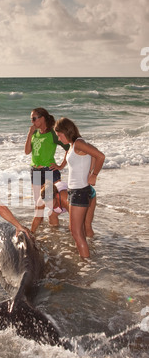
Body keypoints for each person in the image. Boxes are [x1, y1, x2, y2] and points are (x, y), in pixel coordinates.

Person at [54, 117, 105, 258]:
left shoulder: (78, 143)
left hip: (80, 192)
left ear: (66, 131)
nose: (58, 139)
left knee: (76, 232)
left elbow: (100, 156)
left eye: (59, 135)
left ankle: (86, 264)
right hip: (74, 191)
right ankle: (87, 255)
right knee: (77, 230)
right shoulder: (72, 145)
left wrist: (93, 174)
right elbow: (93, 156)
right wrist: (89, 171)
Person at [24, 108, 69, 205]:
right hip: (35, 170)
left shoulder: (53, 133)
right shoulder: (34, 133)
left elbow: (69, 148)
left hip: (49, 170)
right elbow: (27, 151)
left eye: (34, 119)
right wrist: (30, 134)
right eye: (31, 119)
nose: (32, 122)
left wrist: (61, 166)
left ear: (42, 118)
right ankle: (40, 220)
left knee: (51, 203)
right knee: (38, 203)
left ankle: (54, 220)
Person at [31, 180, 96, 237]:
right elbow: (37, 219)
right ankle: (56, 235)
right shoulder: (41, 200)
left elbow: (75, 224)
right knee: (51, 215)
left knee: (85, 224)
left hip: (86, 195)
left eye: (49, 202)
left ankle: (90, 244)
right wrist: (32, 234)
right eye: (46, 202)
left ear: (56, 196)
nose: (48, 205)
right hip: (61, 201)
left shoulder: (65, 199)